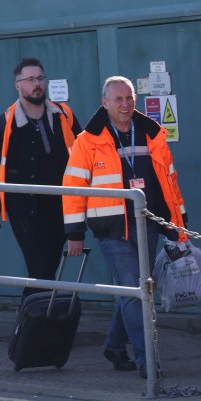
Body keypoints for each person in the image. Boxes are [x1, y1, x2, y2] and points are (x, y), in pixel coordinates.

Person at [62, 76, 188, 377]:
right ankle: (147, 360)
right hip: (112, 229)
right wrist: (75, 234)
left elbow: (170, 181)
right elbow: (73, 189)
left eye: (129, 98)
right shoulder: (87, 140)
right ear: (104, 103)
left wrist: (178, 224)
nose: (125, 104)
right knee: (135, 289)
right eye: (118, 99)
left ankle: (115, 346)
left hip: (149, 224)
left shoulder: (151, 133)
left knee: (134, 289)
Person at [0, 57, 81, 298]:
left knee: (48, 267)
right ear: (18, 85)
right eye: (30, 79)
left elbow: (83, 157)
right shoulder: (3, 124)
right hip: (26, 209)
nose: (36, 84)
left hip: (61, 205)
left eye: (39, 78)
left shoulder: (64, 115)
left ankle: (37, 322)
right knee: (40, 268)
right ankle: (31, 325)